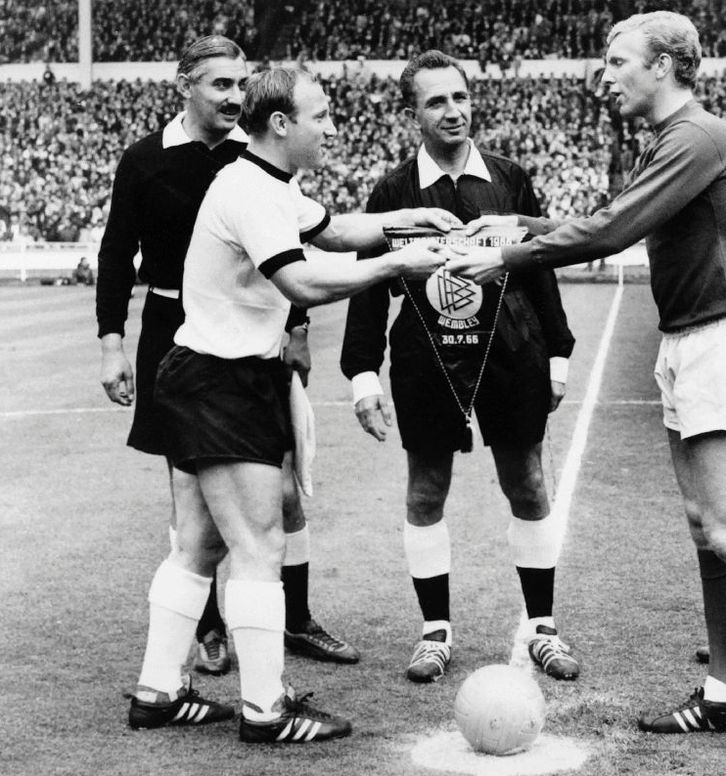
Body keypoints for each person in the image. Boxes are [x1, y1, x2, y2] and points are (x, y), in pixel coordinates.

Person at [448, 11, 726, 751]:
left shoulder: (697, 136)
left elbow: (614, 229)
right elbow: (605, 218)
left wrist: (509, 255)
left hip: (725, 341)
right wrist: (519, 226)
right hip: (690, 341)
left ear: (663, 65)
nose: (605, 73)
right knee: (706, 529)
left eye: (617, 59)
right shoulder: (671, 140)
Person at [127, 65, 459, 743]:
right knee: (258, 545)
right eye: (322, 116)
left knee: (199, 545)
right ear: (281, 124)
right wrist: (401, 264)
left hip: (207, 374)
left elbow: (334, 231)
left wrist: (407, 219)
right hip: (223, 380)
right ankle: (264, 710)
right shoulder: (249, 190)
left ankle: (158, 692)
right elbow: (303, 281)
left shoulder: (270, 182)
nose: (332, 126)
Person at [96, 36, 359, 675]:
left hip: (256, 332)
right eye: (220, 85)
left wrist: (296, 329)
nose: (234, 97)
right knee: (194, 497)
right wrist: (113, 345)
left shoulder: (257, 160)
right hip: (178, 332)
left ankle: (291, 621)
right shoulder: (146, 160)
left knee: (283, 494)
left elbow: (288, 248)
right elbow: (115, 255)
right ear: (184, 84)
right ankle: (212, 632)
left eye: (242, 85)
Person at [340, 51, 579, 684]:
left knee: (527, 483)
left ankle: (542, 628)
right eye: (436, 101)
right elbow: (369, 286)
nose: (454, 111)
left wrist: (558, 352)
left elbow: (541, 265)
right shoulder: (393, 193)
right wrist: (363, 373)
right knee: (425, 491)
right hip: (426, 361)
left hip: (511, 353)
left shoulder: (508, 179)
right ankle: (435, 631)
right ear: (411, 113)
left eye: (460, 97)